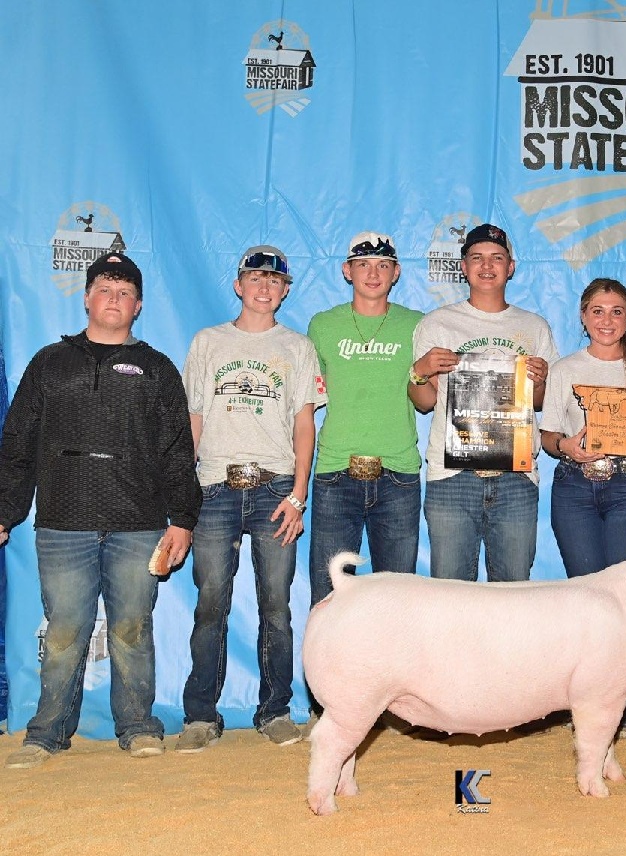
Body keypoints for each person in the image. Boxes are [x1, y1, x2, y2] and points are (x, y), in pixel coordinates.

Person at [0, 253, 202, 768]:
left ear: (138, 305)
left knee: (133, 628)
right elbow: (17, 440)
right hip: (63, 522)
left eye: (125, 291)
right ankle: (47, 732)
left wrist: (183, 519)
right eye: (105, 289)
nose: (114, 299)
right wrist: (5, 510)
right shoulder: (49, 362)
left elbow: (178, 451)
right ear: (87, 297)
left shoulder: (156, 368)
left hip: (138, 523)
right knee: (64, 630)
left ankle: (137, 725)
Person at [176, 246, 326, 753]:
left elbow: (305, 424)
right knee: (210, 604)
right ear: (238, 285)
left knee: (276, 606)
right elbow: (192, 421)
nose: (264, 287)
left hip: (275, 488)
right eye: (254, 277)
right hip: (214, 487)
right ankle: (200, 715)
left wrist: (299, 495)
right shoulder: (207, 343)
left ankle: (276, 709)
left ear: (285, 291)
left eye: (274, 280)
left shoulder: (298, 347)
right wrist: (182, 496)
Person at [540, 277, 626, 737]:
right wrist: (567, 445)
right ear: (582, 316)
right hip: (575, 489)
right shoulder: (565, 368)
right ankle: (588, 709)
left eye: (616, 311)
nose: (606, 320)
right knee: (587, 602)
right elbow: (547, 435)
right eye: (597, 310)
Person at [409, 223, 557, 582]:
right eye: (477, 257)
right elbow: (424, 402)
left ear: (511, 266)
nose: (486, 266)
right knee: (451, 594)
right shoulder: (437, 323)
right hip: (453, 476)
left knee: (513, 595)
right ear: (463, 266)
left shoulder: (534, 327)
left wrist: (541, 380)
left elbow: (539, 404)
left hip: (515, 476)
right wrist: (419, 371)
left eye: (496, 258)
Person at [306, 232, 424, 604]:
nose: (373, 273)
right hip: (336, 473)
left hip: (398, 476)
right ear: (347, 271)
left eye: (383, 265)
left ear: (396, 272)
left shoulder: (418, 325)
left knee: (396, 601)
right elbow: (310, 402)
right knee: (328, 598)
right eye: (363, 265)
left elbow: (426, 400)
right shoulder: (322, 326)